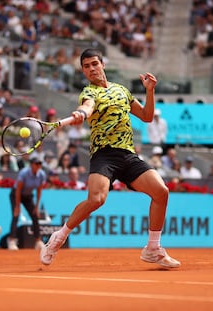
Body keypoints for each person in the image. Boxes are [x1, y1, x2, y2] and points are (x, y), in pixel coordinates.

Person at [40, 48, 180, 268]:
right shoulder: (89, 92)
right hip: (103, 154)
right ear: (84, 72)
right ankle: (58, 237)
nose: (91, 69)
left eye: (94, 63)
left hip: (127, 153)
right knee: (96, 199)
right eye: (86, 66)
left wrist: (150, 91)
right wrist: (81, 113)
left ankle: (153, 249)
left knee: (161, 191)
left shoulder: (122, 90)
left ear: (102, 64)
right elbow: (87, 106)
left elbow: (147, 116)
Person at [7, 155, 46, 251]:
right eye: (36, 164)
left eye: (40, 164)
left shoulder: (41, 175)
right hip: (16, 195)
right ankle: (12, 240)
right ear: (31, 164)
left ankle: (38, 241)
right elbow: (18, 190)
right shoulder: (24, 173)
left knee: (35, 216)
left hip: (28, 197)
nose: (38, 166)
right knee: (15, 215)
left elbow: (39, 191)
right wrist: (17, 206)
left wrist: (37, 206)